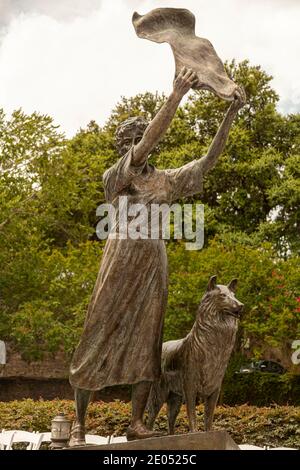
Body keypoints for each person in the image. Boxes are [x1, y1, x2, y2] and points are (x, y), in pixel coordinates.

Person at [68, 67, 245, 445]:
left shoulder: (164, 179)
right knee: (96, 336)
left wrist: (230, 114)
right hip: (119, 263)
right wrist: (176, 95)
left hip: (153, 266)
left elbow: (207, 161)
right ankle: (80, 421)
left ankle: (137, 422)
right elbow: (149, 141)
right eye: (133, 140)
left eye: (139, 138)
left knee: (148, 344)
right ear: (126, 146)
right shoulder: (117, 176)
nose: (140, 145)